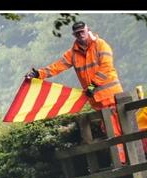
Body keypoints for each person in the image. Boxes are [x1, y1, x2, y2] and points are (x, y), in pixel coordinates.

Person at [26, 21, 127, 164]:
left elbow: (106, 67)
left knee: (119, 129)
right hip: (97, 101)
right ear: (74, 35)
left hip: (111, 95)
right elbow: (57, 66)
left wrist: (93, 85)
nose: (81, 34)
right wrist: (38, 74)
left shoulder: (101, 45)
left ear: (88, 30)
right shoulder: (73, 53)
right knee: (111, 130)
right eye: (78, 33)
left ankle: (124, 161)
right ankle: (123, 161)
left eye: (82, 31)